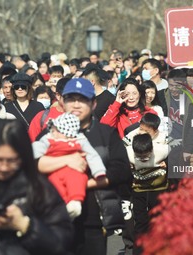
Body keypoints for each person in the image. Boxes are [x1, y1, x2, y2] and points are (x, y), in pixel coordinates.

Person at [37, 78, 132, 255]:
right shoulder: (50, 132)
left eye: (83, 100)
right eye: (71, 99)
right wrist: (66, 161)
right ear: (62, 102)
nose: (76, 105)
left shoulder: (106, 133)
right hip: (54, 216)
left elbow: (122, 170)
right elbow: (32, 164)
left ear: (93, 104)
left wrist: (84, 184)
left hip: (94, 220)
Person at [0, 118, 73, 254]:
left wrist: (25, 225)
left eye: (12, 160)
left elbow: (62, 243)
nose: (4, 167)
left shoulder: (40, 189)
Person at [32, 112, 106, 219]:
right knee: (54, 184)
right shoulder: (48, 138)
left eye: (57, 129)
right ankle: (61, 206)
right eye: (53, 129)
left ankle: (75, 203)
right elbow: (37, 147)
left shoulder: (80, 140)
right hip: (54, 170)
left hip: (74, 169)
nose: (53, 131)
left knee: (77, 181)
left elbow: (92, 155)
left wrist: (98, 171)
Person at [127, 133, 169, 254]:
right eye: (139, 156)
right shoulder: (128, 153)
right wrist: (127, 166)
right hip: (139, 191)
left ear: (152, 149)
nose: (143, 159)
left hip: (159, 190)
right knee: (141, 223)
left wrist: (167, 162)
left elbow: (178, 152)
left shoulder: (163, 151)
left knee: (159, 222)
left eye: (146, 156)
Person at [28, 77, 69, 142]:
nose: (73, 100)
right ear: (58, 95)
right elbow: (33, 143)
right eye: (68, 96)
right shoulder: (42, 116)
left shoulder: (81, 117)